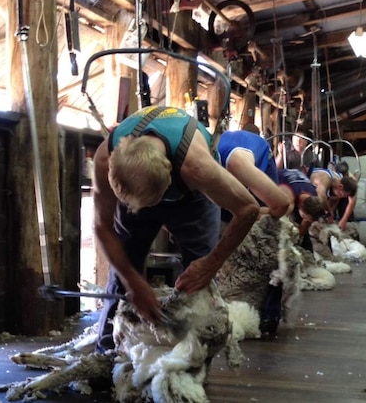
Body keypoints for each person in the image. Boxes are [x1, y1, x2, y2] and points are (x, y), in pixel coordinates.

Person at [92, 105, 259, 352]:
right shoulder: (105, 158)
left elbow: (249, 209)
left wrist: (211, 263)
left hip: (192, 196)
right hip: (141, 187)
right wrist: (134, 283)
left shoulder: (197, 167)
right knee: (123, 273)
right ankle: (107, 352)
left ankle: (191, 361)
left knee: (199, 279)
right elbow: (102, 227)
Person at [217, 129, 290, 218]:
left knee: (256, 212)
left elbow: (282, 204)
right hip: (236, 151)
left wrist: (259, 212)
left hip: (259, 156)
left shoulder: (238, 165)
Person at [276, 168, 326, 249]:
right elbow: (280, 220)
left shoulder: (314, 195)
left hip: (298, 181)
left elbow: (305, 225)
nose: (305, 220)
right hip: (281, 179)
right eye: (305, 217)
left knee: (305, 239)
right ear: (301, 207)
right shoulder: (289, 198)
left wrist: (296, 238)